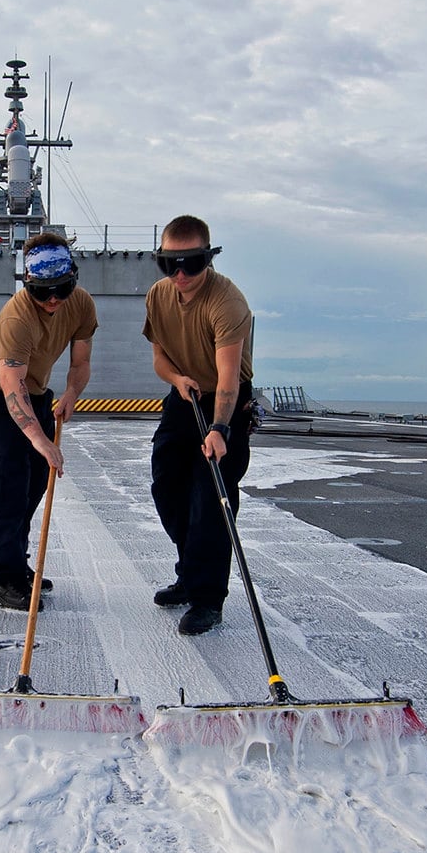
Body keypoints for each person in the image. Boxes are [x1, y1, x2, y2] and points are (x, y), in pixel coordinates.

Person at [141, 215, 254, 635]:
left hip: (226, 401)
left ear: (208, 258)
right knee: (167, 486)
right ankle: (188, 575)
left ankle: (208, 599)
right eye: (171, 264)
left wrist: (220, 429)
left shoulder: (227, 302)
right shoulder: (158, 296)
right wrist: (176, 380)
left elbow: (228, 378)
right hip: (183, 394)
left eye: (192, 263)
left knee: (212, 500)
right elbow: (159, 358)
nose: (181, 274)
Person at [0, 232, 96, 609]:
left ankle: (15, 560)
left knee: (34, 485)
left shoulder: (82, 304)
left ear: (73, 278)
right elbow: (11, 383)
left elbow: (81, 362)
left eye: (61, 288)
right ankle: (4, 579)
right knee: (4, 488)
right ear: (29, 285)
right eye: (43, 292)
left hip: (39, 395)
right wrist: (41, 440)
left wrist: (71, 395)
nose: (53, 299)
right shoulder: (16, 317)